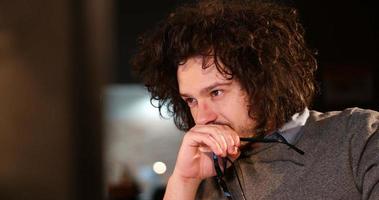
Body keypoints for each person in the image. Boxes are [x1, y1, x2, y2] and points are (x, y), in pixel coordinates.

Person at [131, 0, 379, 199]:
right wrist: (184, 181)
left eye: (216, 92)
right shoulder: (205, 172)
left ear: (261, 81)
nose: (203, 117)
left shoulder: (359, 137)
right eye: (191, 100)